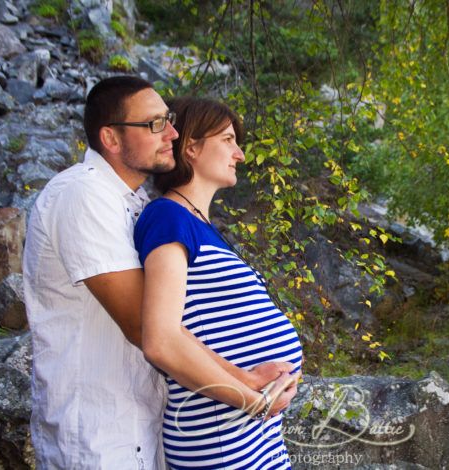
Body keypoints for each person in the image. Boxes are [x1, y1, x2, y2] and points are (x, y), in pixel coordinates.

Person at [23, 76, 295, 469]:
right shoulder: (82, 194)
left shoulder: (133, 204)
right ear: (111, 139)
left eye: (168, 120)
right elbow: (148, 330)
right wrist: (250, 395)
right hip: (97, 435)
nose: (171, 132)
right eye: (154, 124)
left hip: (142, 425)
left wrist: (249, 379)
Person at [133, 96, 303, 469]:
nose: (239, 154)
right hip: (219, 439)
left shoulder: (198, 225)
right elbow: (162, 339)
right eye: (227, 140)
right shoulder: (167, 217)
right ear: (191, 147)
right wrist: (253, 400)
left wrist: (268, 381)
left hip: (250, 436)